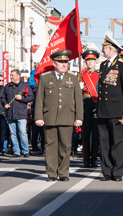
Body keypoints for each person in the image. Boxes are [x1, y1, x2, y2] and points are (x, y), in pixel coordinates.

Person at [35, 50, 83, 182]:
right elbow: (39, 99)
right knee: (50, 146)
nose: (64, 64)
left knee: (65, 146)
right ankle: (51, 173)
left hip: (67, 117)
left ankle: (63, 172)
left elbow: (78, 99)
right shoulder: (45, 78)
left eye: (66, 62)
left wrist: (79, 117)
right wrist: (38, 117)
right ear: (54, 63)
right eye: (61, 62)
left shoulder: (73, 78)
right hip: (49, 117)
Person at [97, 35, 123, 182]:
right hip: (103, 110)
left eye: (104, 48)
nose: (102, 50)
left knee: (117, 142)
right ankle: (106, 171)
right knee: (104, 142)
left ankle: (117, 171)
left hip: (117, 110)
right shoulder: (103, 65)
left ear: (111, 49)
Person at [2, 69, 34, 158]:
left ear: (18, 76)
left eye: (13, 75)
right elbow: (3, 97)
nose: (11, 77)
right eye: (10, 75)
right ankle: (16, 151)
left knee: (22, 132)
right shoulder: (7, 86)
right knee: (13, 133)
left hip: (21, 113)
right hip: (10, 113)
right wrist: (5, 104)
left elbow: (31, 98)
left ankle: (25, 150)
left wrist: (22, 98)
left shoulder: (25, 86)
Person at [80, 50, 100, 168]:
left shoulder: (100, 74)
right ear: (85, 62)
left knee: (96, 135)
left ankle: (94, 158)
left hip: (96, 106)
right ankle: (86, 158)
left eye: (92, 60)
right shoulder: (81, 75)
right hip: (84, 107)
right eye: (88, 60)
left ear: (95, 61)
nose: (90, 62)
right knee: (85, 135)